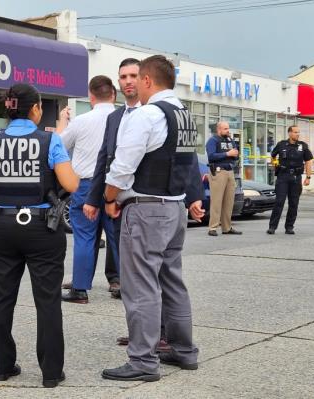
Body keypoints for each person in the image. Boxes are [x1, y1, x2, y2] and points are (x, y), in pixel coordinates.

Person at [0, 83, 79, 388]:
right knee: (48, 301)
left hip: (1, 226)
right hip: (42, 227)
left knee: (2, 299)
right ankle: (51, 373)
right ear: (35, 109)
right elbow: (71, 183)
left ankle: (2, 366)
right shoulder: (49, 141)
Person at [102, 55, 204, 382]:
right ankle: (183, 350)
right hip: (175, 209)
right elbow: (189, 166)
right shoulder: (186, 116)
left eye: (138, 80)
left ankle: (143, 361)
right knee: (172, 281)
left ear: (147, 80)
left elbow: (122, 165)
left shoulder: (147, 115)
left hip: (146, 208)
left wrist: (108, 198)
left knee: (141, 285)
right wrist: (193, 200)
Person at [56, 75, 120, 304]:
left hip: (86, 184)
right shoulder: (124, 119)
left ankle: (80, 289)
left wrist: (62, 122)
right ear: (113, 94)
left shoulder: (81, 121)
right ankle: (122, 284)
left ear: (91, 96)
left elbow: (58, 146)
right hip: (116, 185)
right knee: (117, 236)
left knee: (84, 235)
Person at [84, 59, 141, 301]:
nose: (128, 81)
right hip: (117, 201)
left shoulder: (153, 112)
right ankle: (138, 332)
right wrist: (94, 199)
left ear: (144, 78)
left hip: (144, 200)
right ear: (118, 83)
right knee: (126, 262)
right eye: (123, 76)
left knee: (146, 268)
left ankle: (155, 332)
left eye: (133, 75)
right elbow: (103, 160)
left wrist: (192, 195)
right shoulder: (115, 117)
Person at [267, 125, 313, 235]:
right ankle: (272, 227)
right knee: (279, 202)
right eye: (295, 132)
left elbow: (308, 161)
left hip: (296, 178)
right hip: (283, 176)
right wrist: (275, 165)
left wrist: (308, 177)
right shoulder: (281, 144)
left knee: (294, 203)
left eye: (298, 132)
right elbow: (273, 156)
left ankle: (289, 227)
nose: (298, 134)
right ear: (290, 133)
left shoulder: (303, 146)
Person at [206, 121, 242, 236]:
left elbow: (235, 153)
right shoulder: (213, 140)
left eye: (228, 128)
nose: (228, 130)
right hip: (218, 171)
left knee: (229, 201)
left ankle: (227, 227)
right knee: (216, 201)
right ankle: (212, 227)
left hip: (230, 171)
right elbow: (211, 156)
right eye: (225, 128)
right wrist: (227, 154)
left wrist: (235, 155)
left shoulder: (230, 140)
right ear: (219, 130)